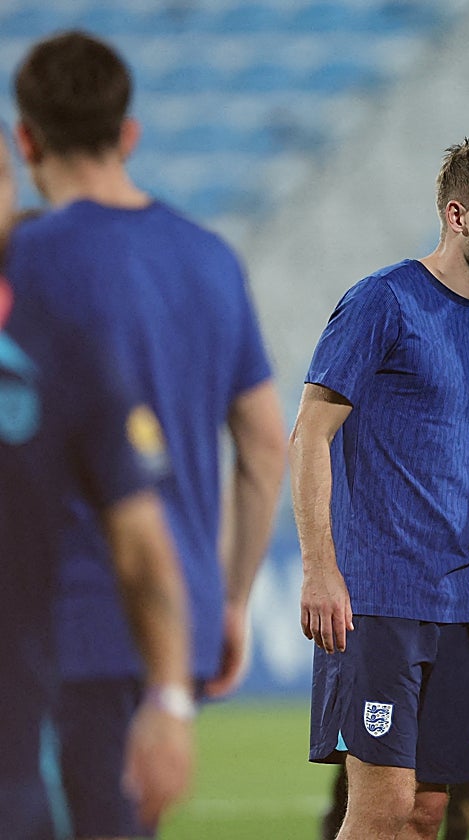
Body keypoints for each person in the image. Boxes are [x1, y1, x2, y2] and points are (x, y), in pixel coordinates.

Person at [5, 30, 287, 839]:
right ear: (129, 133)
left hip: (70, 618)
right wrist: (230, 599)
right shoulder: (211, 258)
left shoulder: (26, 256)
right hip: (182, 617)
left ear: (27, 140)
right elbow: (265, 444)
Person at [291, 136, 469, 840]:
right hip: (379, 599)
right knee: (380, 811)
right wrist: (319, 569)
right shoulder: (382, 301)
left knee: (430, 813)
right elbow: (310, 433)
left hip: (457, 605)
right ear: (457, 216)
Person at [0, 129, 193, 838]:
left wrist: (169, 700)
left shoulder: (66, 353)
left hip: (18, 755)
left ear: (11, 192)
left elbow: (141, 542)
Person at [318, 548, 469, 840]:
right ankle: (337, 818)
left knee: (432, 801)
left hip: (459, 611)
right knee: (375, 775)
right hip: (388, 604)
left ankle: (460, 828)